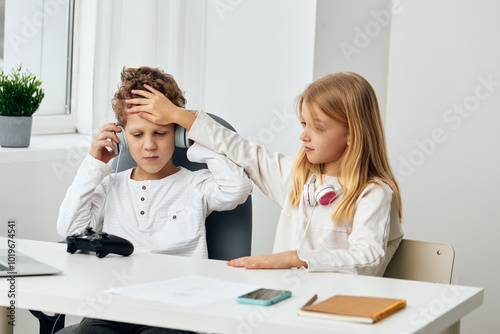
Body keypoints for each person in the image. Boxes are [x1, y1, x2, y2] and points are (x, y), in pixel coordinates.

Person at [126, 72, 404, 276]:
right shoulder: (296, 180)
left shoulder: (373, 194)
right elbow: (241, 149)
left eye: (318, 127)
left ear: (351, 135)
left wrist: (294, 259)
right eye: (303, 123)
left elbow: (367, 258)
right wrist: (177, 115)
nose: (303, 135)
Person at [57, 66, 252, 334]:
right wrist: (94, 164)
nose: (149, 145)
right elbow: (69, 229)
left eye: (160, 133)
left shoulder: (197, 184)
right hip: (114, 305)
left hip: (176, 310)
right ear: (123, 138)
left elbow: (238, 188)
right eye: (137, 135)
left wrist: (197, 137)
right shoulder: (110, 184)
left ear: (178, 134)